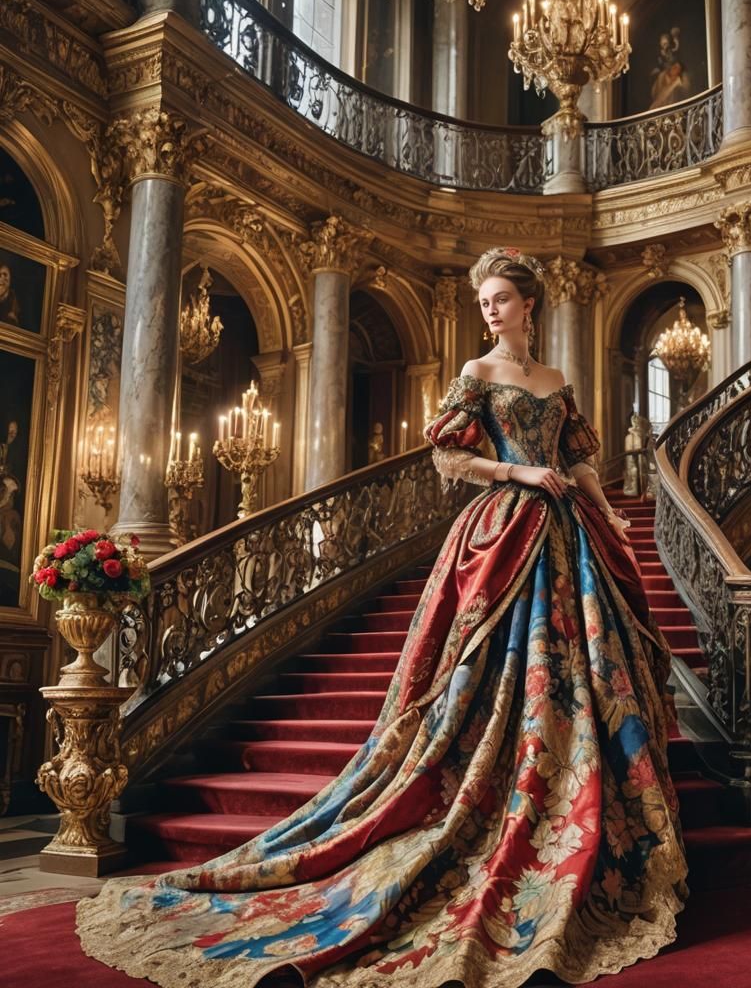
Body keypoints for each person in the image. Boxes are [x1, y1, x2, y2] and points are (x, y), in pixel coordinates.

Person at [77, 246, 688, 988]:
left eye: (502, 300)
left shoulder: (557, 381)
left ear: (530, 305)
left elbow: (580, 457)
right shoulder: (477, 374)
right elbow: (449, 459)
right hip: (501, 531)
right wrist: (520, 471)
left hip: (570, 536)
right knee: (486, 674)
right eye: (484, 302)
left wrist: (606, 512)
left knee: (587, 664)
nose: (491, 311)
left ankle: (574, 801)